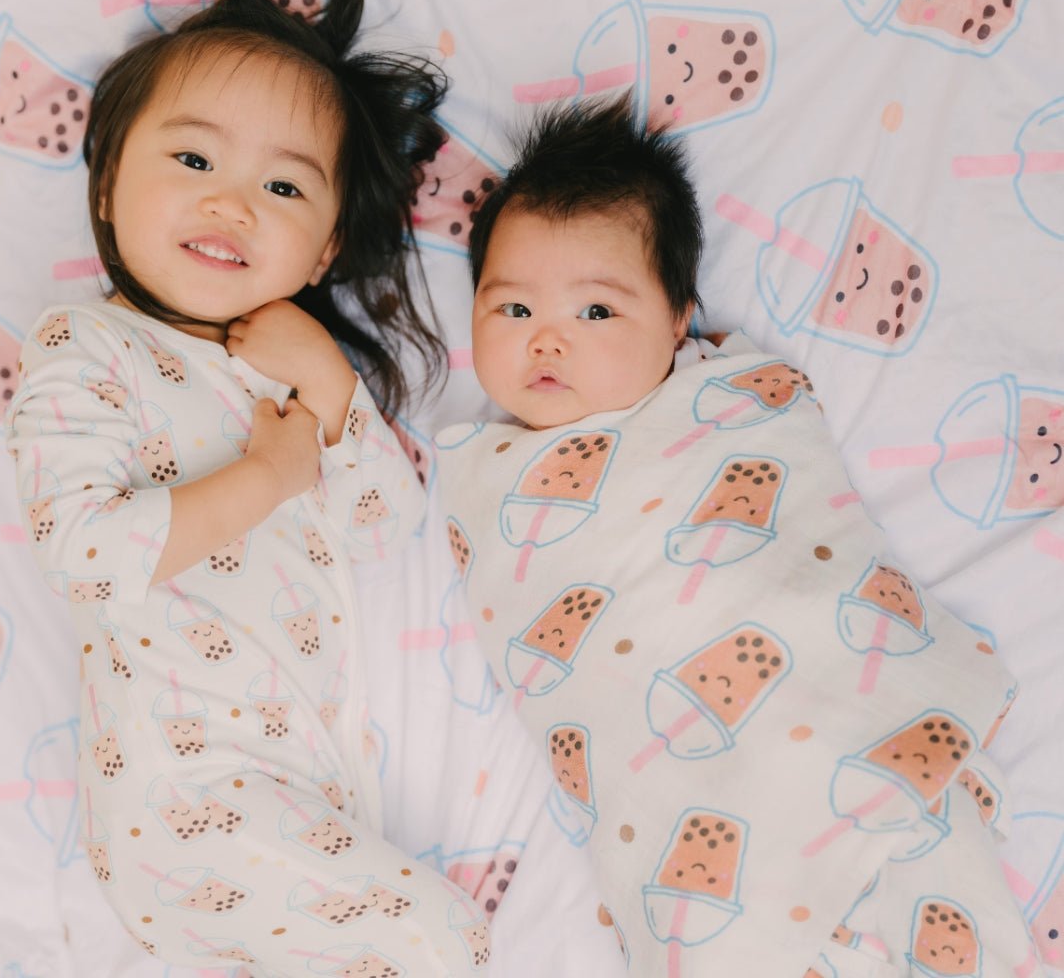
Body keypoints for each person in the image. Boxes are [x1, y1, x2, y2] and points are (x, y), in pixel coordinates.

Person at [434, 97, 1041, 976]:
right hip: (675, 791)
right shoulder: (483, 484)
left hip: (841, 714)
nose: (550, 340)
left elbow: (806, 537)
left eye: (597, 313)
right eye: (513, 311)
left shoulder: (736, 407)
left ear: (679, 318)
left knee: (931, 886)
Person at [5, 0, 491, 976]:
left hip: (301, 787)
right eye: (190, 158)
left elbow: (385, 524)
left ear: (321, 246)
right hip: (183, 797)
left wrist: (327, 384)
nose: (231, 201)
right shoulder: (85, 347)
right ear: (106, 185)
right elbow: (86, 553)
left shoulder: (288, 365)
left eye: (282, 185)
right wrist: (269, 472)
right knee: (443, 944)